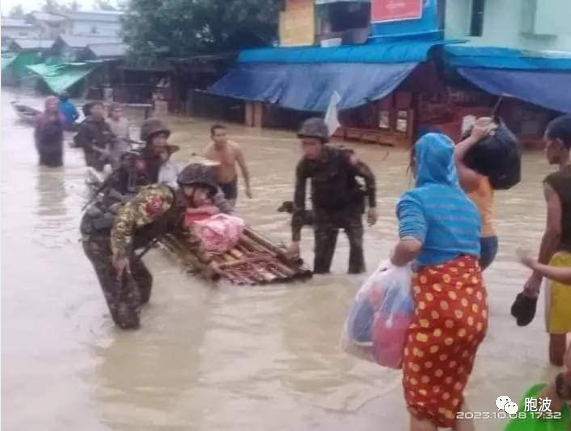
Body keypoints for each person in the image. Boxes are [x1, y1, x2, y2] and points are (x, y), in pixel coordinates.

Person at [391, 132, 485, 431]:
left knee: (421, 403)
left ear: (417, 163)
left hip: (440, 314)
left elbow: (411, 245)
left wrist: (393, 262)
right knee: (452, 394)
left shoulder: (414, 199)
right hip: (474, 312)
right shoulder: (468, 207)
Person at [80, 163, 231, 329]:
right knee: (125, 303)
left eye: (207, 194)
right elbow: (124, 219)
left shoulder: (178, 209)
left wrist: (209, 263)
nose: (205, 198)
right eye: (203, 191)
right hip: (101, 239)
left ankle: (137, 311)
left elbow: (187, 237)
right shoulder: (162, 197)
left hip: (119, 240)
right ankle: (127, 326)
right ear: (189, 187)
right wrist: (121, 253)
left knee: (143, 280)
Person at [290, 118, 377, 274]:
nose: (308, 149)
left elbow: (368, 176)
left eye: (312, 144)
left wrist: (373, 207)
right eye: (305, 144)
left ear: (322, 143)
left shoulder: (343, 156)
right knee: (320, 265)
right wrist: (295, 240)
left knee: (357, 251)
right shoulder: (304, 166)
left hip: (350, 207)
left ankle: (356, 287)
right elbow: (299, 203)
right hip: (324, 212)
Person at [521, 115, 571, 367]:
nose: (544, 149)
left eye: (547, 143)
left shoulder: (555, 182)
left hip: (563, 263)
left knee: (558, 334)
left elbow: (554, 231)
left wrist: (536, 275)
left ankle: (556, 392)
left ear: (560, 145)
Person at [454, 118, 498, 270]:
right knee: (469, 288)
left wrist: (473, 137)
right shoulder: (488, 174)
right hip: (488, 239)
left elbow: (448, 158)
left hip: (474, 240)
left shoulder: (471, 177)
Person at [204, 124, 252, 207]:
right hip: (217, 184)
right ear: (212, 137)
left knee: (229, 210)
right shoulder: (208, 152)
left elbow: (244, 168)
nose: (222, 138)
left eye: (224, 135)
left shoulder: (234, 148)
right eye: (218, 135)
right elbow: (205, 174)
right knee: (217, 210)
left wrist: (247, 187)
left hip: (231, 183)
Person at [74, 102, 114, 172]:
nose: (99, 110)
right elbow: (83, 142)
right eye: (96, 108)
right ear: (91, 110)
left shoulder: (106, 124)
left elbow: (109, 138)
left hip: (104, 155)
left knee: (105, 176)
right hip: (91, 155)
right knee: (94, 174)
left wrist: (106, 150)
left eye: (101, 108)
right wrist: (100, 150)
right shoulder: (84, 125)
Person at [34, 96, 65, 167]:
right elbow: (36, 134)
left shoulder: (60, 116)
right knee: (43, 169)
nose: (53, 106)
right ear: (46, 106)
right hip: (44, 147)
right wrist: (38, 147)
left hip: (57, 147)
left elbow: (62, 132)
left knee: (58, 169)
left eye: (55, 104)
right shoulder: (40, 117)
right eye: (50, 104)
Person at [107, 102, 131, 168]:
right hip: (113, 150)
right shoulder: (107, 122)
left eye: (120, 111)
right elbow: (104, 138)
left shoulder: (125, 121)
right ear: (110, 112)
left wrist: (130, 147)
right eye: (116, 111)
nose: (118, 113)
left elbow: (128, 135)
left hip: (124, 148)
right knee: (116, 168)